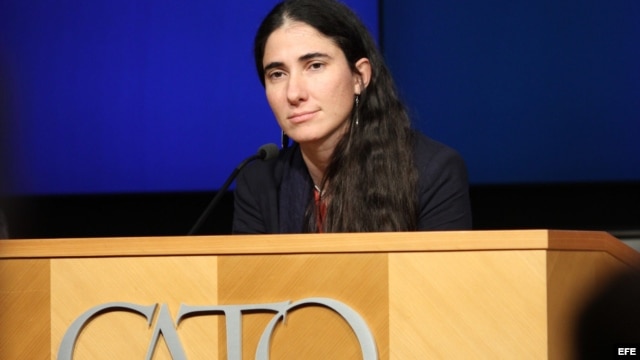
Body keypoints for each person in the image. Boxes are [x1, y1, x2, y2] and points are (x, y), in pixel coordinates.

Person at [233, 0, 472, 233]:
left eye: (315, 65)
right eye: (277, 74)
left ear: (359, 77)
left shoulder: (432, 171)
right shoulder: (259, 185)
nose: (294, 93)